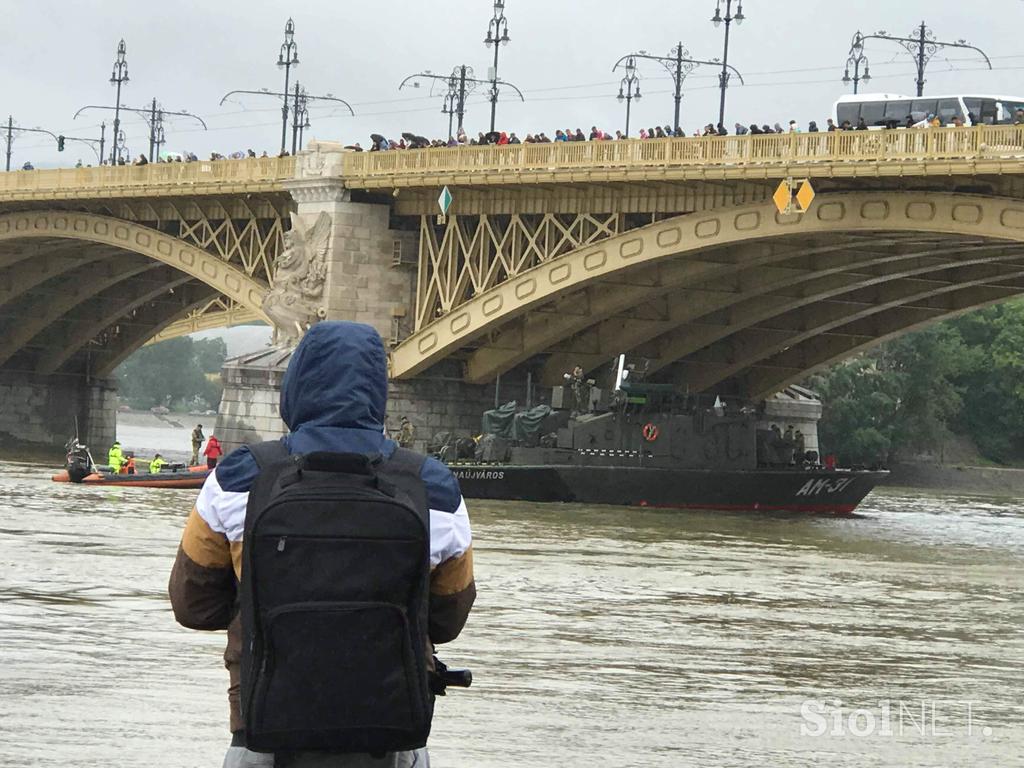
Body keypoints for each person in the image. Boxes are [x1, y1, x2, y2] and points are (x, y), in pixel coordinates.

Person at [169, 321, 475, 768]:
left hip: (265, 734)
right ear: (378, 391)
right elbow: (447, 619)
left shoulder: (237, 478)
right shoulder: (434, 486)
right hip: (389, 734)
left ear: (296, 386)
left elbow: (192, 606)